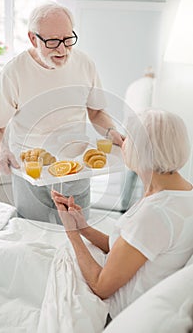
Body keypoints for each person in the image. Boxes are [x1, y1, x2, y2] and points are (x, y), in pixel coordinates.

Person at [0, 2, 123, 223]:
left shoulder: (84, 64)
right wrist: (1, 151)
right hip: (32, 173)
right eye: (52, 42)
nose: (62, 50)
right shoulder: (14, 72)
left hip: (76, 169)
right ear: (32, 38)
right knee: (34, 237)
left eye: (68, 40)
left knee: (76, 238)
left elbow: (96, 113)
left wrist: (112, 133)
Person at [52, 109, 193, 318]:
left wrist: (72, 233)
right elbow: (126, 249)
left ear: (143, 151)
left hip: (113, 311)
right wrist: (83, 228)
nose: (122, 142)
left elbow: (101, 286)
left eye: (128, 139)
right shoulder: (180, 192)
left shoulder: (155, 215)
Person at [119, 66, 156, 212]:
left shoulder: (133, 85)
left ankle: (124, 204)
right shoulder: (154, 85)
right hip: (146, 130)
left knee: (129, 168)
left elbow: (125, 108)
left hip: (129, 128)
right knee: (146, 170)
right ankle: (144, 206)